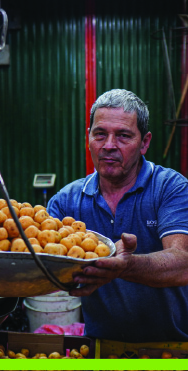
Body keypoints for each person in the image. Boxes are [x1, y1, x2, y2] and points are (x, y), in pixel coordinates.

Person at [47, 89, 188, 342]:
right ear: (87, 138)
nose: (109, 145)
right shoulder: (66, 202)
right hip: (101, 347)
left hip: (172, 347)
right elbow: (42, 263)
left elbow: (183, 263)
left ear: (144, 143)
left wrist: (127, 266)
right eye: (100, 134)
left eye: (123, 136)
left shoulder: (170, 188)